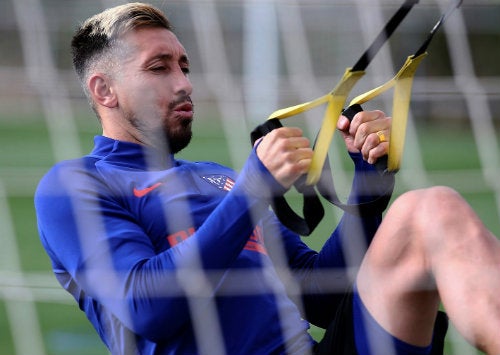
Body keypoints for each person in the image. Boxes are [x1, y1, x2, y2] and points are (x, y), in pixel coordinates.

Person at [34, 3, 500, 355]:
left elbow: (323, 296)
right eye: (159, 68)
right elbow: (147, 309)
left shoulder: (216, 179)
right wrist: (253, 191)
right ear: (104, 90)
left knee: (431, 207)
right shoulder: (74, 185)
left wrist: (368, 186)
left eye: (184, 66)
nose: (183, 83)